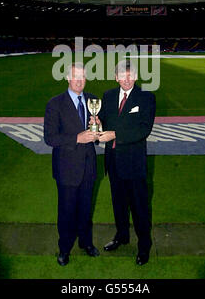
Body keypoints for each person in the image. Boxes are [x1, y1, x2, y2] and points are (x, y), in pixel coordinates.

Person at [98, 60, 156, 265]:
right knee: (119, 204)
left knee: (139, 207)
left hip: (133, 163)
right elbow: (103, 118)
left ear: (136, 76)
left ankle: (144, 246)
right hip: (113, 161)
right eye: (123, 75)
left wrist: (114, 134)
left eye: (130, 75)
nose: (127, 78)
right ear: (116, 77)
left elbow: (143, 129)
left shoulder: (146, 97)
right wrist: (96, 122)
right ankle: (122, 236)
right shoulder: (108, 96)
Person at [44, 62, 100, 266]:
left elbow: (95, 135)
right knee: (67, 211)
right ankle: (64, 248)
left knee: (86, 209)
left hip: (88, 166)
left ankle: (86, 243)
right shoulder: (55, 103)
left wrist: (98, 131)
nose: (79, 81)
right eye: (75, 76)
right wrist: (77, 138)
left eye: (83, 77)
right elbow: (50, 138)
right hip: (66, 167)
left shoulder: (93, 100)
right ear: (68, 78)